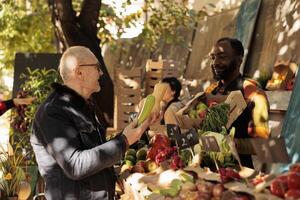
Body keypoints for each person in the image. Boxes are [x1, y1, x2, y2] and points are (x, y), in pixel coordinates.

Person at [30, 46, 159, 200]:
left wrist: (134, 131)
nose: (101, 73)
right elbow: (74, 165)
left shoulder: (84, 105)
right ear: (79, 72)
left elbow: (95, 153)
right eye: (97, 67)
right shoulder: (52, 112)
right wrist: (123, 141)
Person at [206, 37, 270, 168]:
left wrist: (231, 143)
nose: (215, 62)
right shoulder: (210, 90)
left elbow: (262, 146)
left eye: (222, 57)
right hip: (205, 169)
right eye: (212, 57)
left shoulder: (254, 94)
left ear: (239, 60)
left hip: (236, 174)